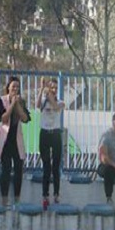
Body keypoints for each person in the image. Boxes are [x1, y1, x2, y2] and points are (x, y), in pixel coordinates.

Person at [0, 76, 30, 206]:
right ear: (8, 87)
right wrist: (12, 103)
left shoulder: (21, 102)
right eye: (13, 86)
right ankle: (4, 198)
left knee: (19, 169)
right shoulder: (1, 100)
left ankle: (17, 198)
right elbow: (3, 118)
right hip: (5, 140)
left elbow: (25, 119)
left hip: (16, 139)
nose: (15, 89)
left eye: (17, 87)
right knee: (6, 169)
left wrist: (17, 104)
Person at [37, 76, 65, 209]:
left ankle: (57, 194)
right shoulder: (44, 101)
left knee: (56, 166)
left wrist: (49, 95)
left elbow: (55, 106)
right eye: (51, 87)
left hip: (55, 134)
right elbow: (37, 105)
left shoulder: (60, 102)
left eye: (55, 88)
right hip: (45, 134)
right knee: (46, 166)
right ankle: (45, 195)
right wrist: (42, 88)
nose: (53, 90)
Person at [97, 112, 115, 206]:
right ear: (114, 122)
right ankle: (109, 197)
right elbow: (104, 158)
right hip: (110, 164)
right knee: (108, 170)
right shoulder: (106, 136)